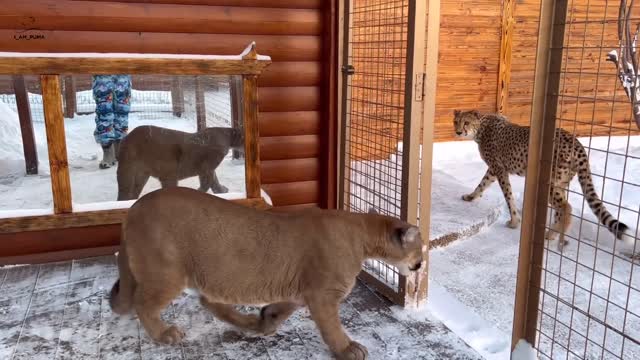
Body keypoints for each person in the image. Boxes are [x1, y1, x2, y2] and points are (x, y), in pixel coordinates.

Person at [92, 74, 132, 169]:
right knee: (104, 112)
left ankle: (119, 150)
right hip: (102, 69)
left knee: (122, 111)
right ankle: (108, 151)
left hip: (122, 69)